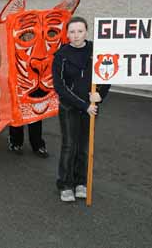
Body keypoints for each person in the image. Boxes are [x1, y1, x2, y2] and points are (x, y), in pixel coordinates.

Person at [52, 16, 110, 202]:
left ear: (86, 32)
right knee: (69, 146)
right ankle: (65, 184)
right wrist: (84, 105)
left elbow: (108, 72)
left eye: (80, 31)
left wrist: (101, 94)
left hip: (90, 108)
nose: (76, 35)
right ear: (67, 34)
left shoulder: (96, 51)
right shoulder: (61, 55)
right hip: (70, 107)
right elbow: (60, 87)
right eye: (72, 32)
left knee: (84, 147)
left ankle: (80, 183)